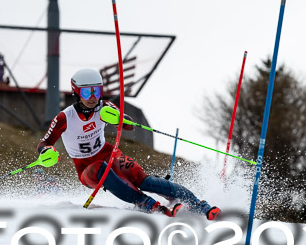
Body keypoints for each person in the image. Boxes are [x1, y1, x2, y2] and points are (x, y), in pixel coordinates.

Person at [35, 68, 220, 219]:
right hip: (86, 167)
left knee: (143, 179)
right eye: (86, 92)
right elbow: (44, 142)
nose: (92, 97)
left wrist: (118, 118)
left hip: (109, 153)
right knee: (101, 168)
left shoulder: (104, 107)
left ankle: (198, 204)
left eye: (96, 91)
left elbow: (129, 125)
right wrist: (46, 151)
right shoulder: (64, 117)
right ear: (76, 92)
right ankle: (147, 203)